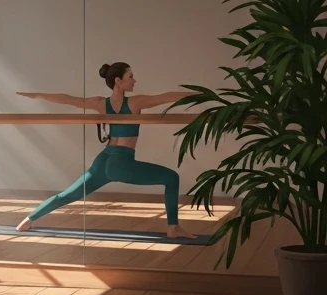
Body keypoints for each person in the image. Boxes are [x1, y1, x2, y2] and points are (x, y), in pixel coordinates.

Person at [15, 62, 194, 238]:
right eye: (130, 76)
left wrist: (37, 95)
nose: (134, 80)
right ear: (118, 80)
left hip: (103, 160)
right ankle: (173, 227)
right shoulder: (136, 103)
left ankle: (28, 220)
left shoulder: (100, 103)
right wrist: (198, 94)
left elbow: (68, 99)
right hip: (121, 163)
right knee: (172, 178)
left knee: (67, 195)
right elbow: (166, 97)